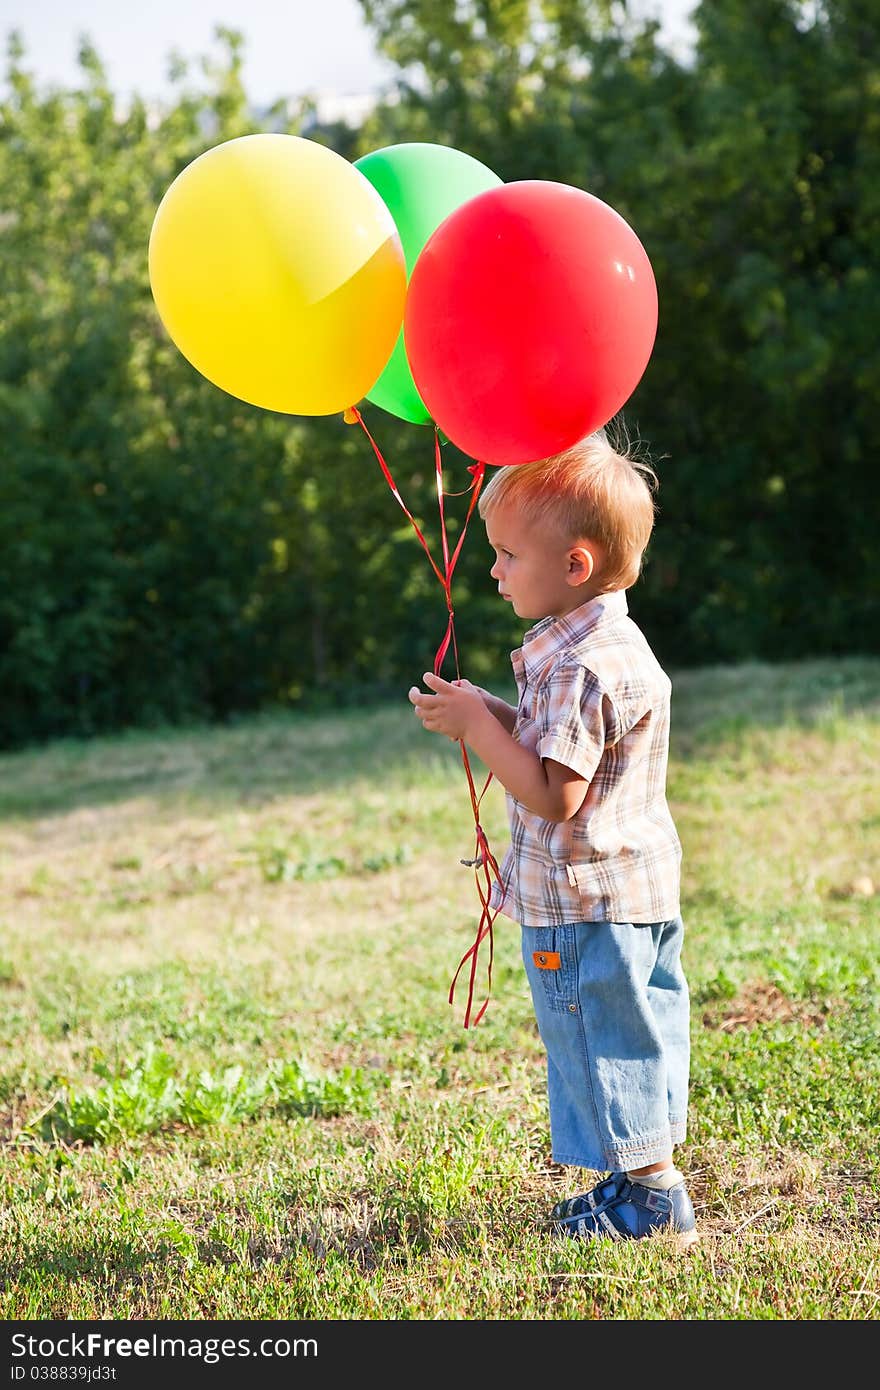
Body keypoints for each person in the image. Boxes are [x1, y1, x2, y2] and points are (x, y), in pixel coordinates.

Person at [408, 427, 697, 1247]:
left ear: (574, 565)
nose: (493, 570)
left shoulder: (580, 669)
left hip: (582, 903)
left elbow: (551, 792)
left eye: (506, 555)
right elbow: (552, 750)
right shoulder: (605, 645)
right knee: (632, 1032)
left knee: (599, 1041)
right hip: (625, 894)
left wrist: (474, 729)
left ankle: (652, 1202)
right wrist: (494, 711)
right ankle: (634, 1181)